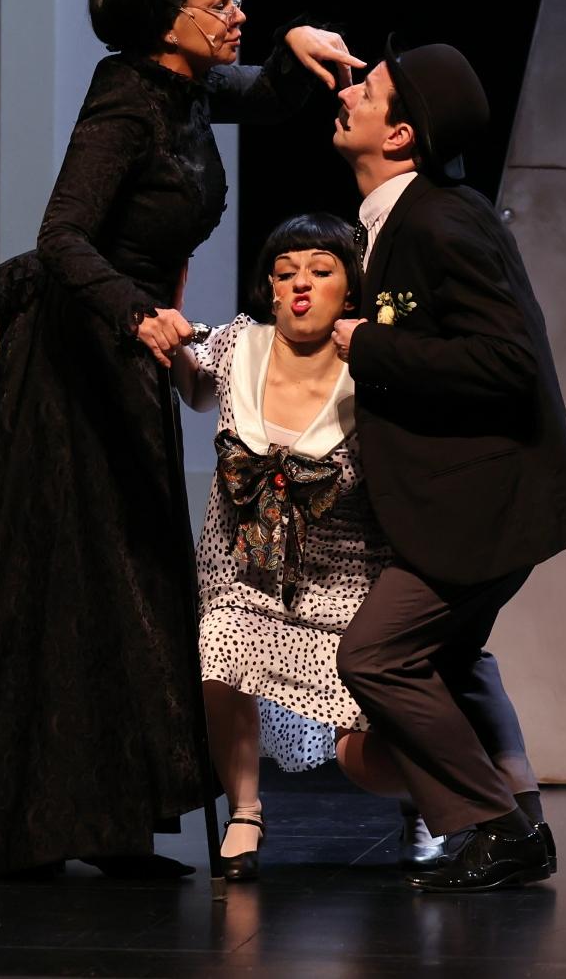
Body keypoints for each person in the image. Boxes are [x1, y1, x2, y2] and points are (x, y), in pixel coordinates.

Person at [0, 0, 362, 880]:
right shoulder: (126, 103)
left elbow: (263, 92)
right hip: (69, 360)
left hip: (121, 355)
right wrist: (137, 314)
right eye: (220, 4)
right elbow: (61, 236)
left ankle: (107, 822)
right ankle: (19, 824)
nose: (237, 16)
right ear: (167, 20)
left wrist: (295, 45)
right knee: (67, 582)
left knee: (127, 583)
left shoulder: (188, 86)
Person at [328, 40, 566, 893]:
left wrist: (371, 346)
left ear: (400, 133)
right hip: (459, 501)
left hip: (485, 505)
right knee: (450, 660)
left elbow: (506, 360)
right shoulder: (403, 220)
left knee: (376, 655)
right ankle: (519, 828)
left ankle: (498, 826)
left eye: (368, 90)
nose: (347, 93)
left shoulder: (440, 221)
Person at [175, 210, 447, 882]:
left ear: (349, 290)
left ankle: (426, 798)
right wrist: (166, 323)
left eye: (320, 271)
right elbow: (194, 388)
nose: (300, 284)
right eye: (285, 272)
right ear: (269, 289)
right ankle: (246, 811)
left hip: (347, 586)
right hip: (244, 578)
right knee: (219, 652)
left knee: (362, 759)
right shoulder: (238, 347)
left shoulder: (373, 364)